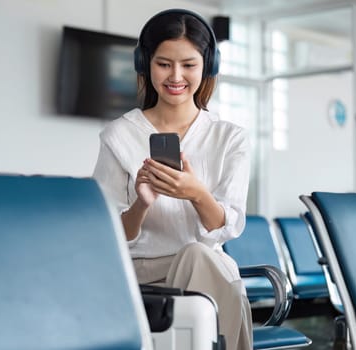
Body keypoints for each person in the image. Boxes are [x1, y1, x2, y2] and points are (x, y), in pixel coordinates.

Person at [93, 8, 252, 350]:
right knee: (213, 271)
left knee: (199, 255)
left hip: (207, 271)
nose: (175, 76)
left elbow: (229, 225)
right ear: (145, 64)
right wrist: (141, 205)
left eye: (188, 65)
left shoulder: (230, 139)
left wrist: (197, 194)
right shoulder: (120, 136)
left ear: (206, 67)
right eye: (164, 63)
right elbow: (106, 235)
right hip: (146, 278)